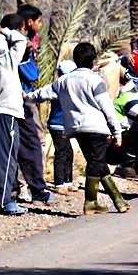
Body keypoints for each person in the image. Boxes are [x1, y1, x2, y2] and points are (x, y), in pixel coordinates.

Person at [27, 42, 128, 215]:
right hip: (96, 128)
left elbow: (43, 93)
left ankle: (118, 200)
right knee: (96, 163)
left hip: (76, 129)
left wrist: (26, 96)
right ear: (93, 61)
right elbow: (107, 108)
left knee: (98, 163)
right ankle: (90, 201)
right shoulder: (95, 80)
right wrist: (117, 131)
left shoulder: (64, 80)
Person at [0, 13, 28, 215]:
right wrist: (8, 30)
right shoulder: (8, 60)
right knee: (8, 157)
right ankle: (5, 200)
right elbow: (22, 41)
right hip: (8, 114)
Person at [15, 4, 55, 205]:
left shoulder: (27, 42)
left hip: (24, 96)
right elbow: (31, 73)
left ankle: (28, 185)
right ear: (29, 22)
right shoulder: (21, 46)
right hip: (23, 98)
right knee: (35, 139)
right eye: (39, 21)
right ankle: (29, 186)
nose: (41, 25)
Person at [46, 59, 78, 192]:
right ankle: (59, 184)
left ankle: (67, 181)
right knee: (61, 153)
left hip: (65, 125)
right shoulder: (59, 87)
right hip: (57, 125)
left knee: (68, 153)